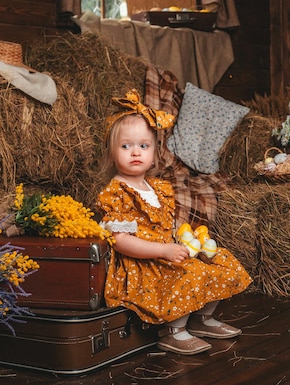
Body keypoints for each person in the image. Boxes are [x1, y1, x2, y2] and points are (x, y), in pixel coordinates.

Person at [96, 90, 252, 355]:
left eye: (143, 146)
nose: (135, 152)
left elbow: (166, 227)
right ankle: (173, 330)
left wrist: (184, 243)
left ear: (155, 152)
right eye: (126, 146)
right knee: (190, 273)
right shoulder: (117, 192)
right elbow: (120, 242)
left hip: (165, 253)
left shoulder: (157, 188)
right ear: (112, 153)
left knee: (219, 261)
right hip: (142, 264)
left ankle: (201, 318)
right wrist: (163, 250)